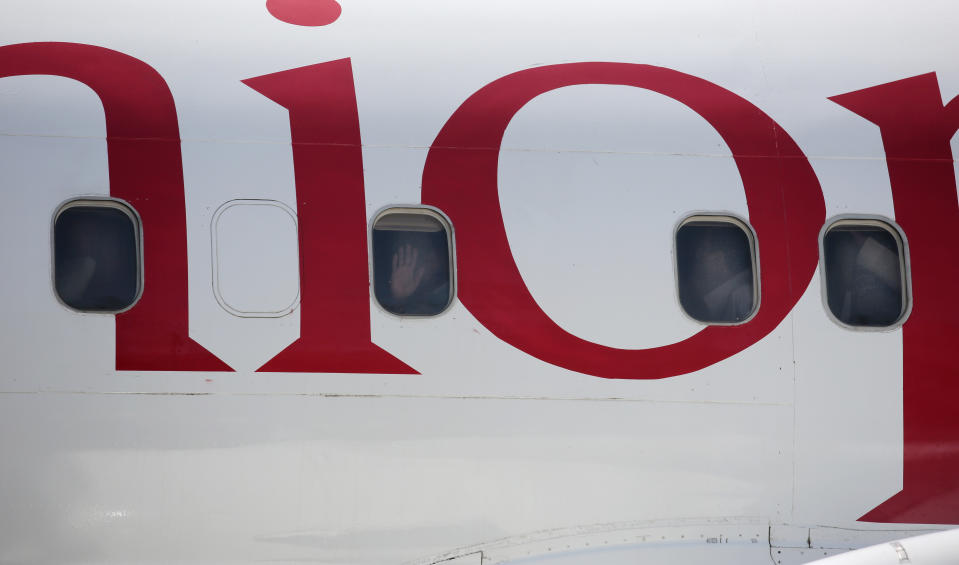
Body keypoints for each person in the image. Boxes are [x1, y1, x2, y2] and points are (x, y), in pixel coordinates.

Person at [374, 231, 450, 316]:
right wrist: (400, 297)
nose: (429, 258)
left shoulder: (447, 293)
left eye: (429, 250)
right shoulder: (416, 296)